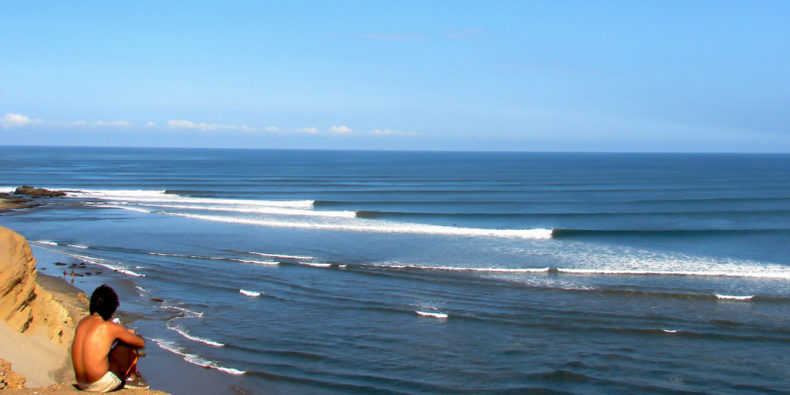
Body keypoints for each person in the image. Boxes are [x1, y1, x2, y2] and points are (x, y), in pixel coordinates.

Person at [72, 284, 149, 392]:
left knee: (112, 344)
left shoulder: (82, 322)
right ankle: (131, 378)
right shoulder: (109, 327)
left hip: (81, 383)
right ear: (111, 308)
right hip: (101, 384)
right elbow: (141, 343)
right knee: (131, 341)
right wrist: (128, 333)